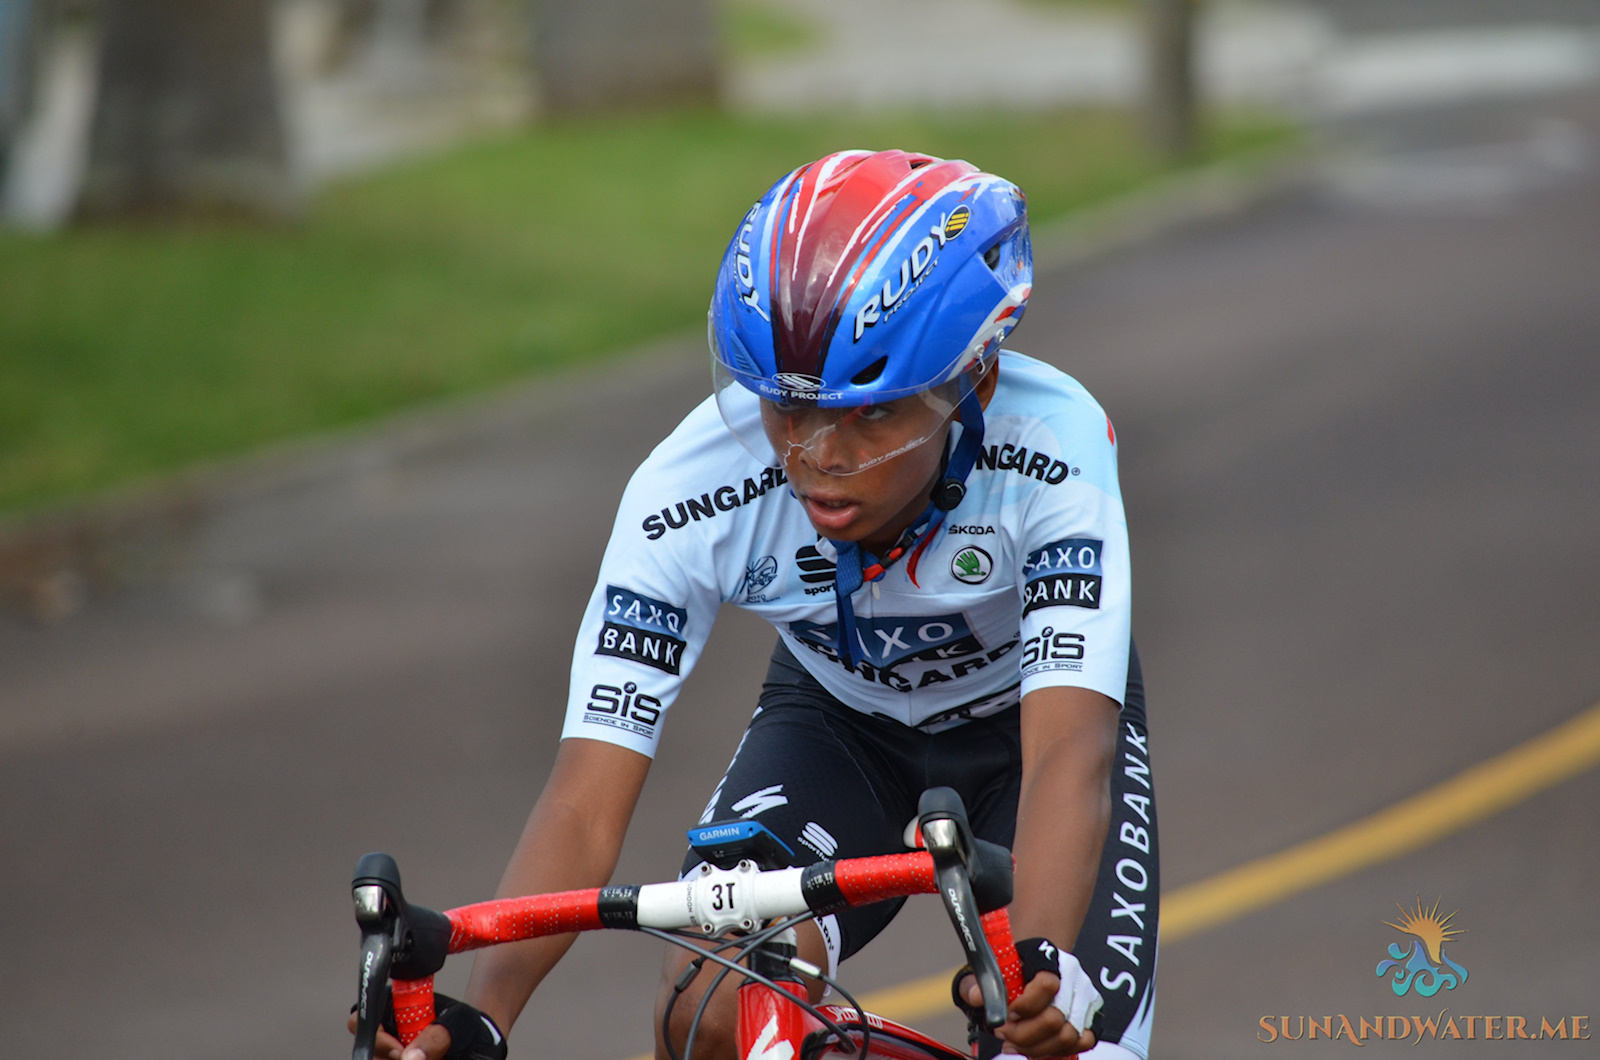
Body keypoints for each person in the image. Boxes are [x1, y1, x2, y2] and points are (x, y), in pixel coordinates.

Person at [360, 149, 1159, 1060]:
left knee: (1054, 1036)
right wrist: (485, 1017)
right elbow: (584, 801)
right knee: (708, 1002)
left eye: (872, 416)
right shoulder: (690, 487)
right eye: (785, 406)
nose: (817, 453)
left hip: (1030, 735)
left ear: (972, 384)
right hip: (838, 726)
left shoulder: (1053, 444)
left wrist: (1035, 963)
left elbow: (1067, 750)